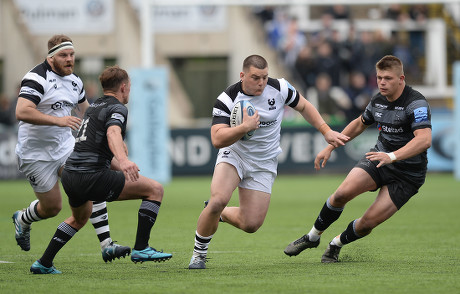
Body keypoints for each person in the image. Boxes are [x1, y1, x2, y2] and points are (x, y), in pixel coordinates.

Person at [188, 54, 350, 269]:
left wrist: (326, 131)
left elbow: (304, 106)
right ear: (242, 75)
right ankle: (199, 254)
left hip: (264, 162)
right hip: (235, 155)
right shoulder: (227, 99)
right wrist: (244, 127)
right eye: (255, 78)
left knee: (251, 224)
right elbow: (217, 140)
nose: (261, 83)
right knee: (218, 199)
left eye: (264, 77)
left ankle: (219, 213)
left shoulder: (280, 88)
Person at [284, 55, 432, 263]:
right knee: (341, 194)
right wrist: (330, 147)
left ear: (401, 79)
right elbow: (359, 123)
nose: (382, 82)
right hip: (379, 159)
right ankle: (312, 236)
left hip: (407, 175)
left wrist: (392, 156)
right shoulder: (378, 100)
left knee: (367, 224)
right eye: (379, 77)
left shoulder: (416, 103)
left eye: (388, 78)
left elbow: (424, 140)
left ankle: (336, 244)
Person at [30, 65, 172, 274]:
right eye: (129, 87)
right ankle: (141, 248)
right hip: (91, 176)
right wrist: (123, 161)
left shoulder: (94, 106)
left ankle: (43, 262)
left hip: (70, 175)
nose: (129, 92)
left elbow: (100, 149)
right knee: (155, 190)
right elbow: (113, 133)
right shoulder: (118, 108)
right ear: (123, 87)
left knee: (79, 218)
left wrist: (121, 165)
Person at [12, 34, 129, 263]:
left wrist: (112, 132)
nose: (69, 59)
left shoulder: (75, 81)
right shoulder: (37, 77)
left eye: (72, 55)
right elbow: (22, 111)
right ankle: (23, 219)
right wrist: (59, 120)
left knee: (92, 176)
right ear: (51, 57)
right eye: (63, 55)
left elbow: (89, 112)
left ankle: (107, 244)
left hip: (66, 146)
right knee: (52, 208)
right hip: (35, 153)